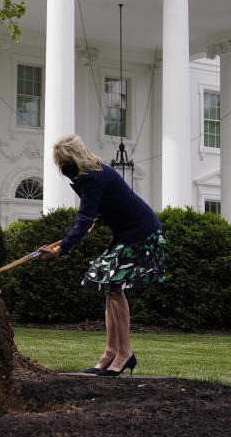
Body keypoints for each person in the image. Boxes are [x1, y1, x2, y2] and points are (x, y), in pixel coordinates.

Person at [38, 134, 166, 376]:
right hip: (125, 231)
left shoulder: (91, 178)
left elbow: (83, 218)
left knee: (112, 282)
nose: (62, 168)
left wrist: (59, 249)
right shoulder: (93, 174)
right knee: (107, 283)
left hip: (140, 230)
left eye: (64, 162)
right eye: (59, 163)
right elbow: (111, 202)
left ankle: (124, 353)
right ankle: (110, 352)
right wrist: (101, 217)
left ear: (74, 159)